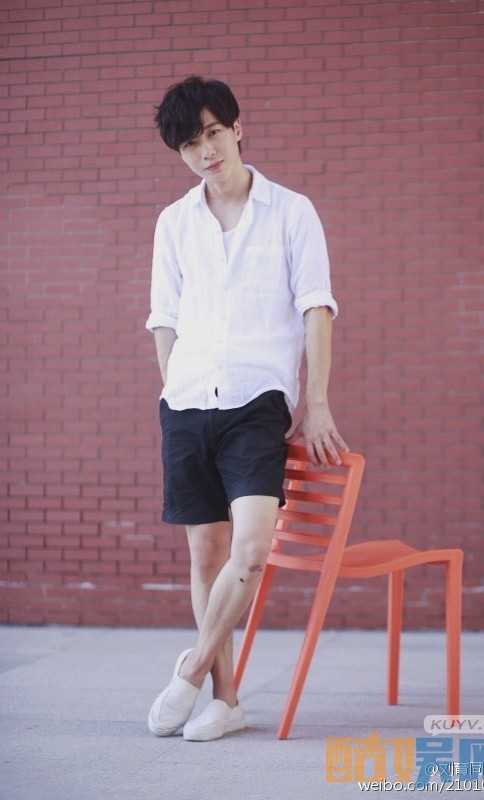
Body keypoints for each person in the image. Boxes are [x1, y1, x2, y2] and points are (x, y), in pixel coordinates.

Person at [145, 75, 347, 742]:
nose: (204, 151)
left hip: (257, 402)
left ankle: (190, 669)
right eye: (189, 143)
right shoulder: (174, 222)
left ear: (236, 129)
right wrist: (172, 385)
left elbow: (316, 307)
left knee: (252, 550)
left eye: (212, 133)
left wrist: (316, 401)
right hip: (186, 402)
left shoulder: (292, 211)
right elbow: (164, 317)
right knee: (206, 556)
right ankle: (226, 701)